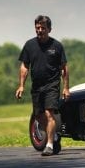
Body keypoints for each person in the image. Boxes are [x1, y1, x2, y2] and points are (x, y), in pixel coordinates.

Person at [15, 15, 70, 156]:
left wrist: (65, 88)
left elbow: (64, 68)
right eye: (37, 28)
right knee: (38, 115)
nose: (40, 30)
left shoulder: (57, 46)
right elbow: (24, 66)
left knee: (49, 113)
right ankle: (55, 135)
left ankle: (50, 145)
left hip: (52, 84)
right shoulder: (29, 45)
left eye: (43, 28)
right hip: (37, 86)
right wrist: (21, 85)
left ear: (49, 29)